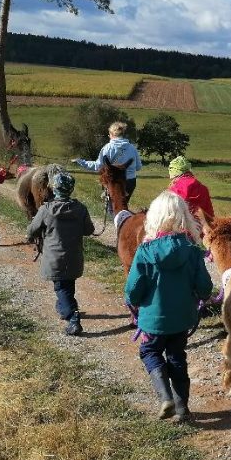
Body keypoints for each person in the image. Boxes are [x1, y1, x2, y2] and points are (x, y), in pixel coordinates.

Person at [125, 191, 213, 422]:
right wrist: (201, 296)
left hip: (152, 321)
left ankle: (165, 397)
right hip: (182, 319)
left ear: (154, 217)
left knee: (150, 352)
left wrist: (133, 301)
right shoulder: (193, 251)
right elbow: (205, 287)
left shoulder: (145, 251)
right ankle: (183, 409)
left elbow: (133, 289)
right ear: (184, 216)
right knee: (177, 357)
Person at [27, 172, 95, 336]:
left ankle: (73, 318)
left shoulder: (46, 209)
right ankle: (64, 308)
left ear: (54, 188)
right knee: (68, 284)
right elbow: (89, 230)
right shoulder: (80, 208)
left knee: (60, 287)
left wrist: (31, 237)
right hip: (74, 256)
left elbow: (32, 230)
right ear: (71, 189)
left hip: (54, 257)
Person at [73, 121, 142, 205]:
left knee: (113, 208)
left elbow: (98, 166)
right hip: (130, 182)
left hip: (114, 182)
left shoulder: (107, 148)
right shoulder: (132, 147)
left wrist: (81, 162)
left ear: (111, 134)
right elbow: (138, 167)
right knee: (123, 206)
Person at [167, 155, 214, 235]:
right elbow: (210, 215)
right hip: (201, 234)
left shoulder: (173, 189)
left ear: (174, 174)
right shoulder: (203, 188)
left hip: (179, 234)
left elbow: (167, 216)